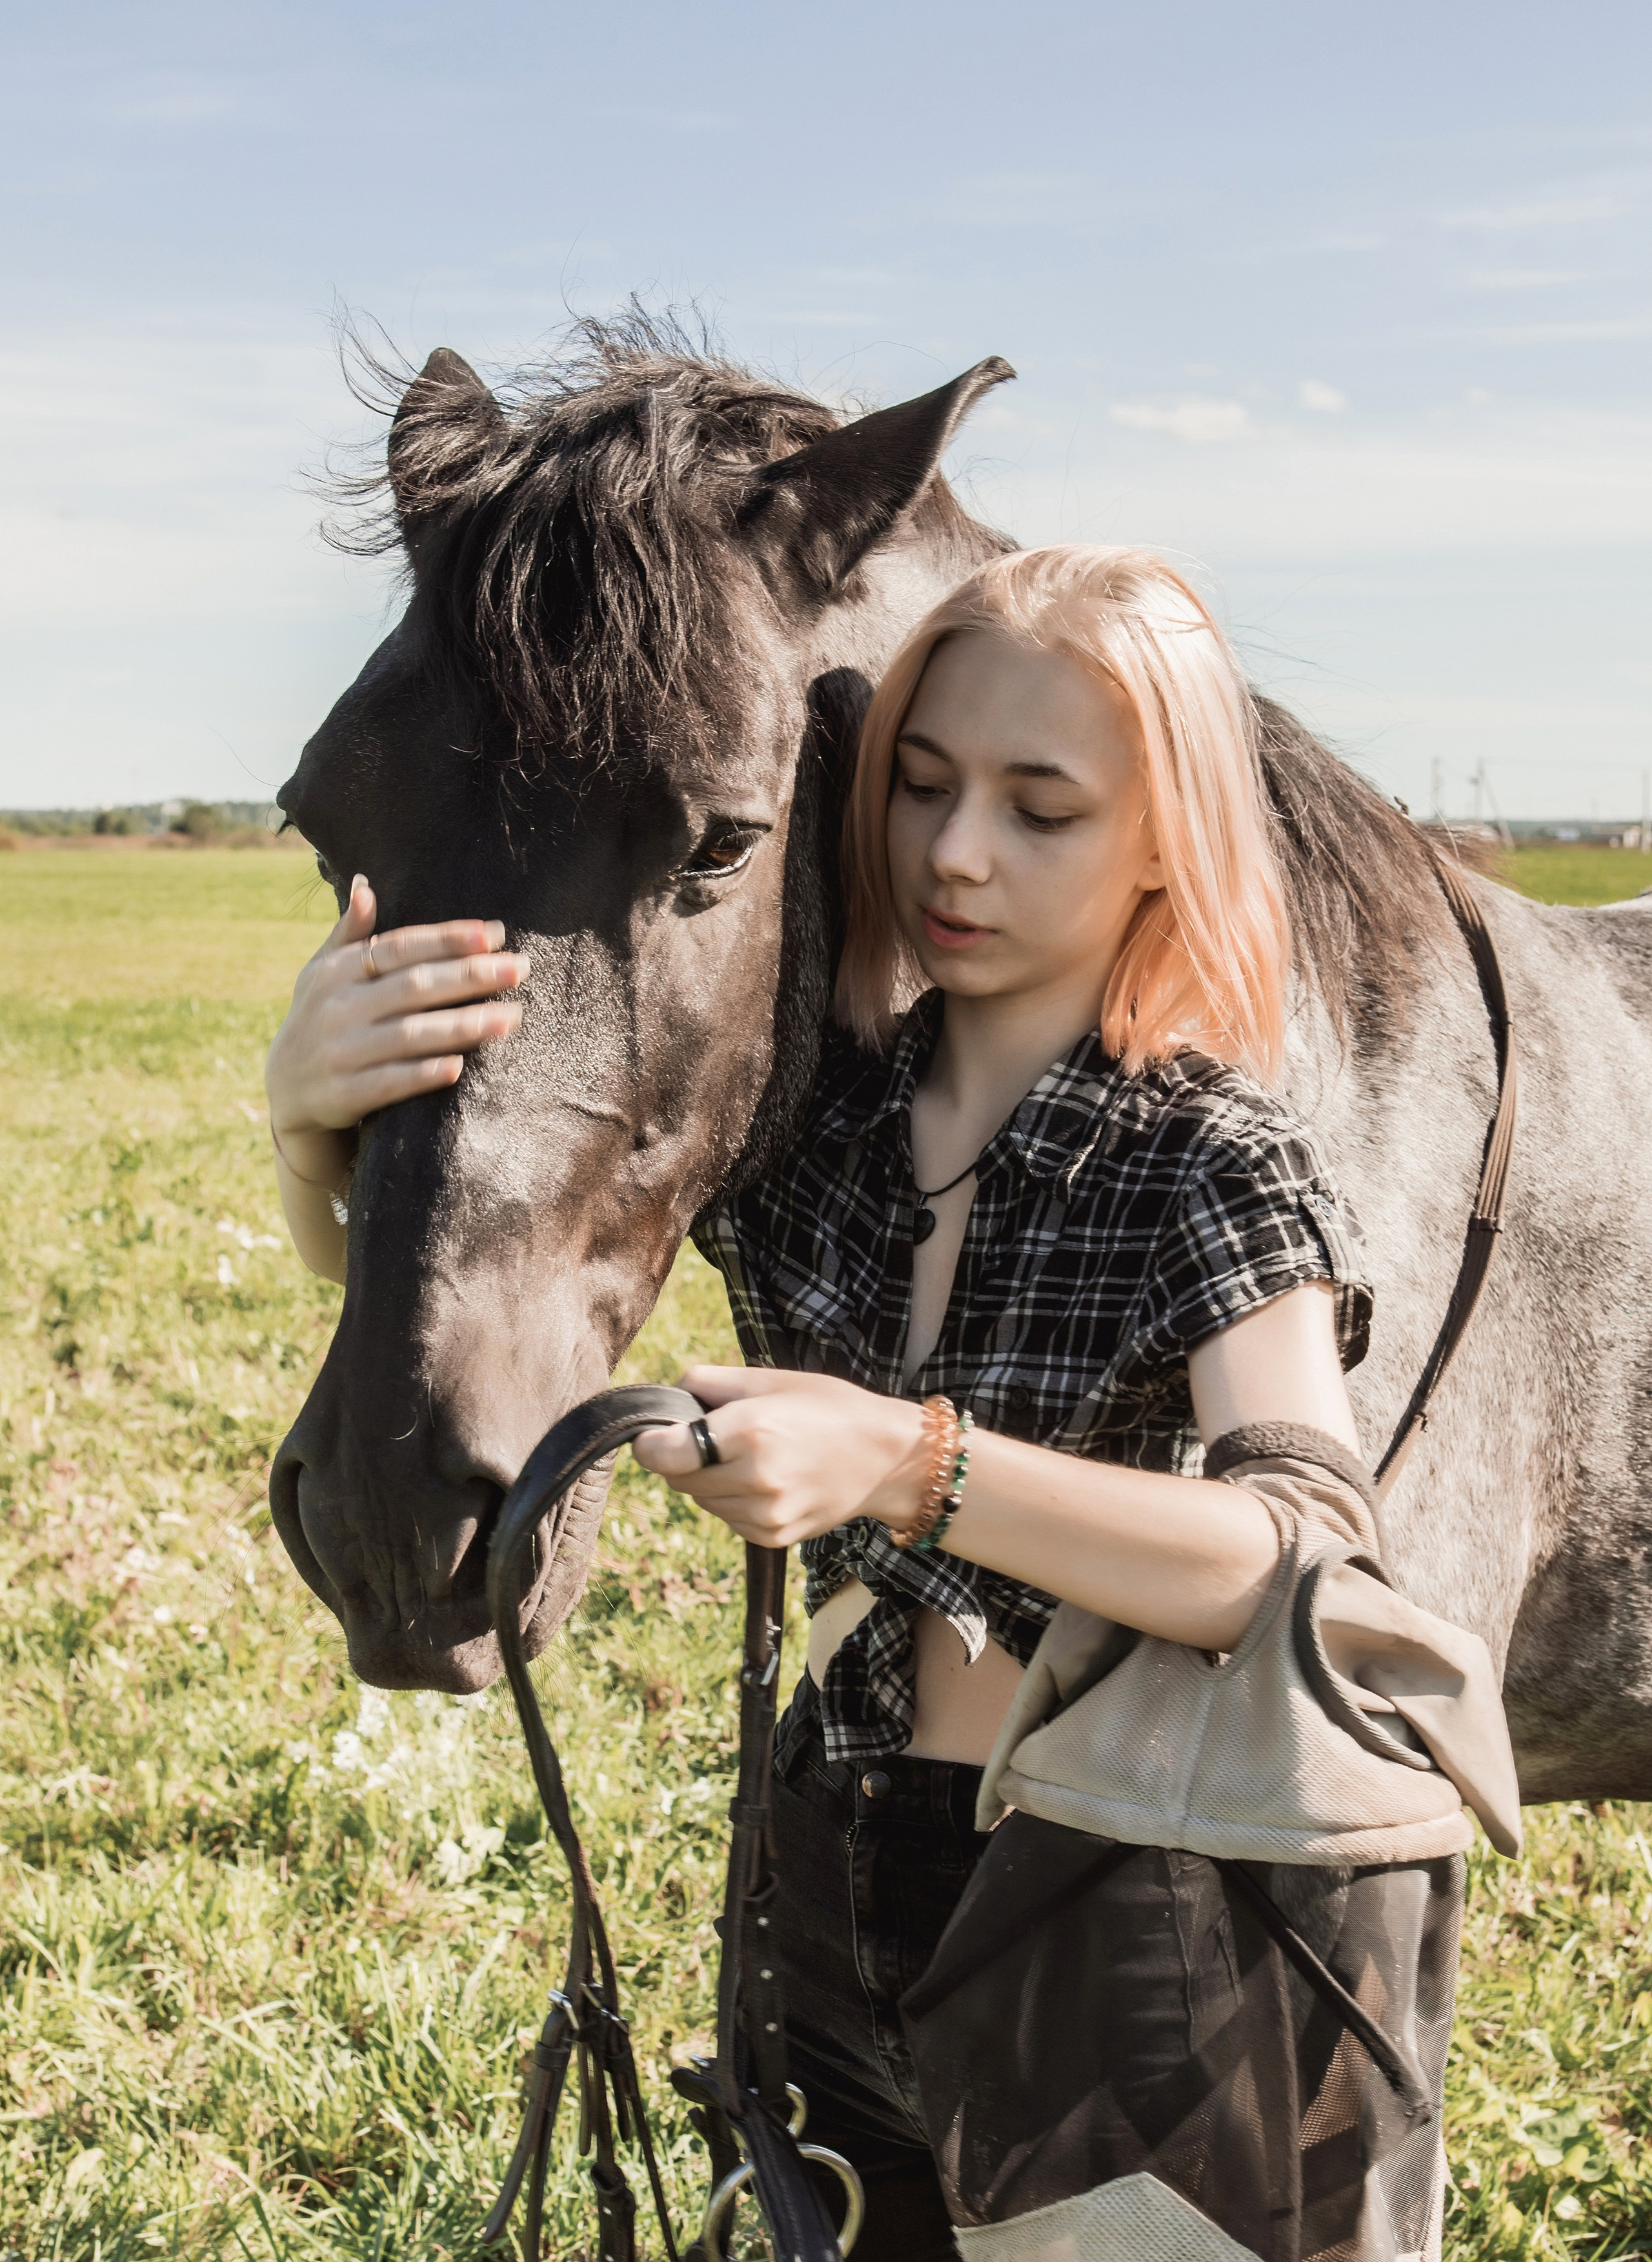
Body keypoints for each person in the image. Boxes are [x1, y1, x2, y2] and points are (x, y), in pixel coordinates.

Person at [267, 547, 1506, 2262]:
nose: (956, 851)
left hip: (1108, 1901)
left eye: (1041, 807)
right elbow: (503, 1282)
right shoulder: (821, 1137)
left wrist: (909, 1464)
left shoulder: (1210, 1161)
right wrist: (307, 1125)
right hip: (823, 1885)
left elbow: (1301, 1558)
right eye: (920, 783)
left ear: (1167, 838)